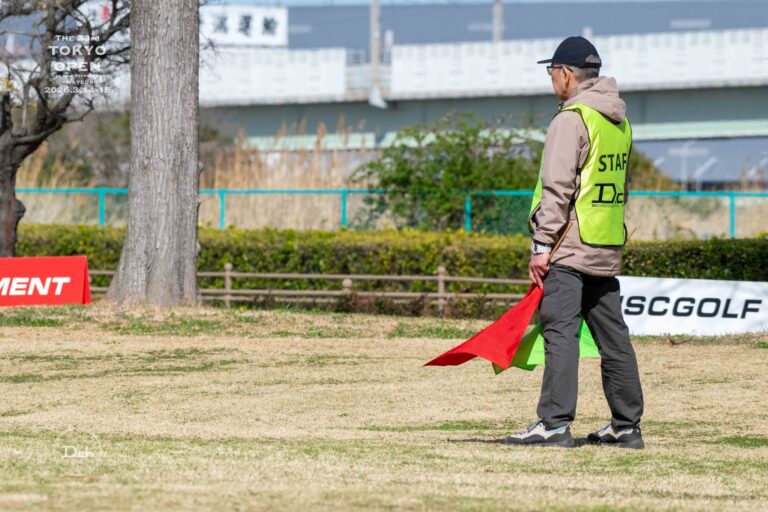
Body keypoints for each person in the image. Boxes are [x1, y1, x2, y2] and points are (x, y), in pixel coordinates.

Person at [504, 36, 645, 449]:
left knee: (560, 333)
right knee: (614, 338)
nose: (551, 80)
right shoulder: (618, 121)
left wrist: (541, 246)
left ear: (565, 74)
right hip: (605, 243)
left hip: (569, 245)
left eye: (551, 72)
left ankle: (553, 424)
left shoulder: (572, 118)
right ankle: (626, 427)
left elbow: (557, 189)